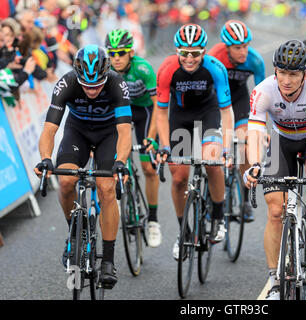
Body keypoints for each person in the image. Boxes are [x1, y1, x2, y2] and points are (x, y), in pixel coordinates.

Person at [243, 40, 306, 300]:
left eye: (293, 74)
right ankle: (275, 279)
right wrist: (253, 164)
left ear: (305, 74)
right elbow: (254, 134)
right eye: (281, 72)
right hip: (281, 141)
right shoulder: (263, 91)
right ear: (275, 70)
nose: (286, 80)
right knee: (275, 210)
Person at [34, 45, 132, 288]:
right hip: (77, 132)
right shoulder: (66, 84)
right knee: (66, 181)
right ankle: (75, 234)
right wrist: (46, 158)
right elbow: (49, 129)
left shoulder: (117, 84)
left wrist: (121, 162)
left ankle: (108, 260)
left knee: (107, 188)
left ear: (106, 74)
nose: (92, 90)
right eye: (86, 85)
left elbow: (124, 131)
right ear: (77, 77)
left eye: (97, 85)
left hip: (108, 134)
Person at [155, 24, 234, 260]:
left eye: (196, 53)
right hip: (180, 118)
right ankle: (184, 232)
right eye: (185, 53)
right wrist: (165, 145)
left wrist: (227, 149)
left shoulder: (215, 68)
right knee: (179, 177)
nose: (190, 58)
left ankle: (218, 216)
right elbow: (160, 113)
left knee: (212, 162)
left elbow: (227, 112)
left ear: (204, 51)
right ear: (177, 50)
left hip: (208, 116)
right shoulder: (168, 68)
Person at [105, 28, 162, 248]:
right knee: (115, 157)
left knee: (148, 168)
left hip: (145, 112)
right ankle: (118, 194)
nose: (116, 58)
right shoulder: (107, 69)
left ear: (130, 52)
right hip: (121, 114)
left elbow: (159, 106)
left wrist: (150, 137)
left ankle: (154, 221)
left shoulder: (143, 68)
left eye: (120, 52)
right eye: (112, 53)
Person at [208, 19, 265, 222]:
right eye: (237, 47)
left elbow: (262, 95)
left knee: (244, 145)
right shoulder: (215, 56)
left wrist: (261, 127)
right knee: (212, 148)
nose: (243, 51)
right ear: (226, 46)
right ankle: (211, 192)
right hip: (216, 100)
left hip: (239, 99)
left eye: (246, 46)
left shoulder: (255, 60)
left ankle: (245, 199)